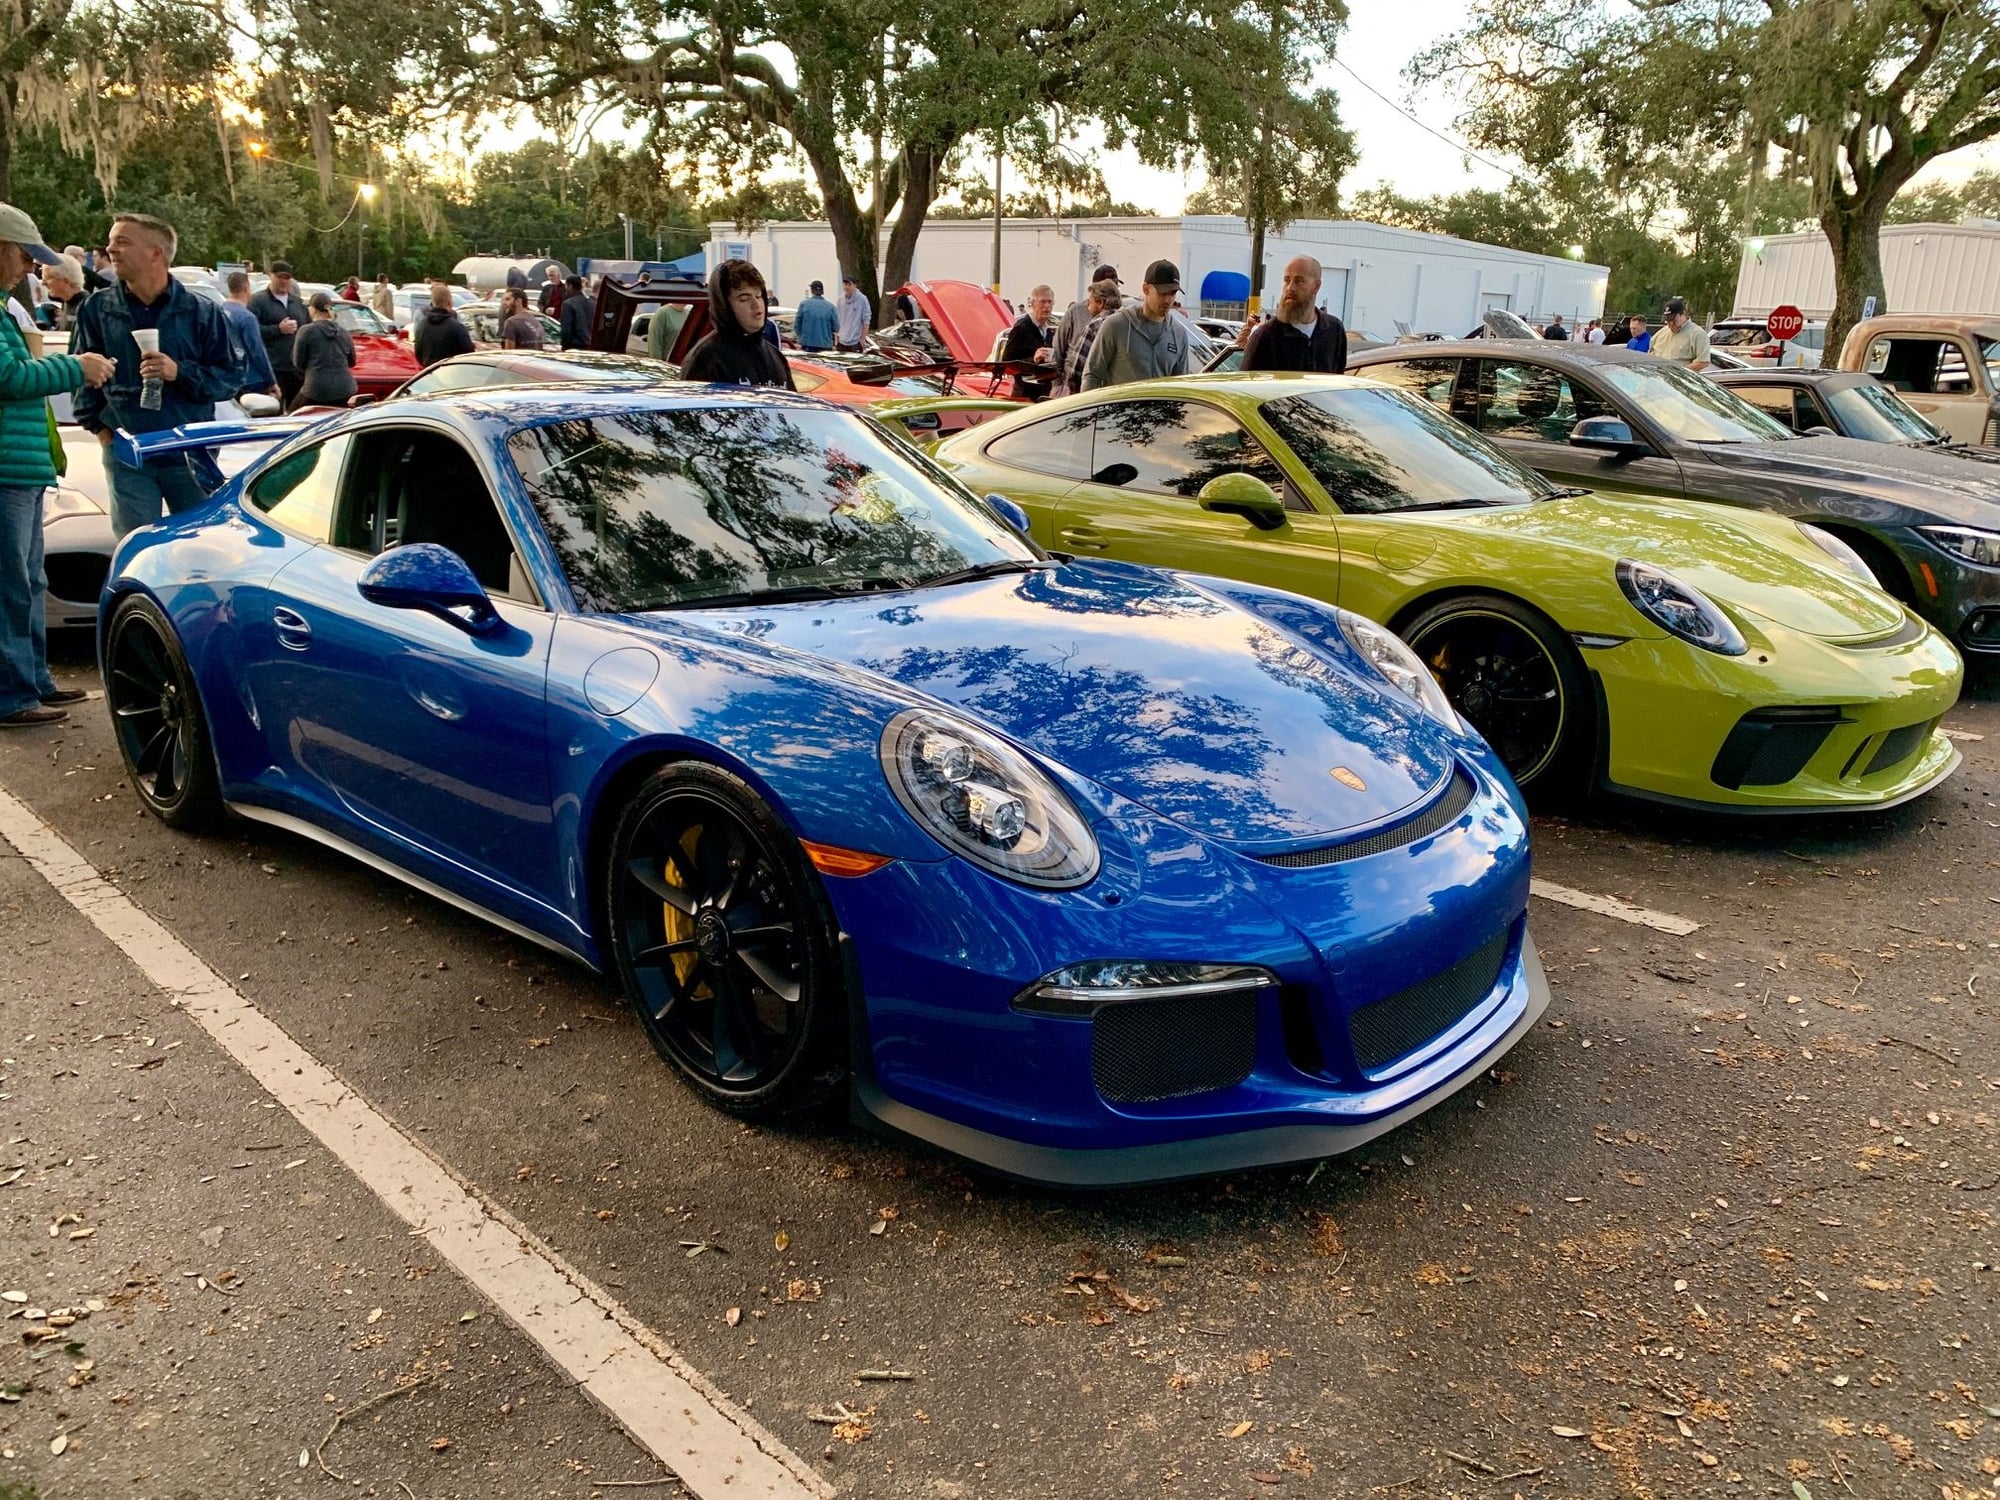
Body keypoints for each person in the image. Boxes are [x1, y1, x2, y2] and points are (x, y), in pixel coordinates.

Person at [0, 203, 115, 728]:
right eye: (23, 257)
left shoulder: (5, 309)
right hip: (8, 467)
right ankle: (13, 694)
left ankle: (33, 681)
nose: (28, 269)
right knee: (11, 585)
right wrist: (75, 365)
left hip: (22, 465)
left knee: (28, 579)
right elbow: (11, 379)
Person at [71, 212, 236, 540]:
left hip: (190, 452)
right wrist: (102, 432)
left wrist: (180, 372)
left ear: (156, 253)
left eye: (122, 242)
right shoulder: (97, 309)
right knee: (137, 549)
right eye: (111, 241)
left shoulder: (201, 312)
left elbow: (230, 377)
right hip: (129, 454)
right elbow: (80, 375)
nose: (110, 250)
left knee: (198, 547)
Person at [679, 259, 795, 389]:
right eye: (744, 299)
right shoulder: (706, 358)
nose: (756, 305)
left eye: (758, 296)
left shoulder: (775, 356)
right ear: (725, 306)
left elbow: (791, 406)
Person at [1083, 259, 1191, 390]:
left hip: (1160, 410)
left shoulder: (1178, 334)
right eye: (1162, 293)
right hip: (1119, 409)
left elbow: (1179, 387)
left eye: (1173, 293)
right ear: (1146, 289)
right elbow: (1092, 374)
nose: (1168, 300)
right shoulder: (1116, 325)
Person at [1240, 255, 1348, 374]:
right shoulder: (1265, 336)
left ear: (1316, 287)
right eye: (1287, 280)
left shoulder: (1334, 330)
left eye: (1299, 281)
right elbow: (1248, 387)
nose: (1290, 288)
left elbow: (1338, 380)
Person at [248, 261, 312, 408]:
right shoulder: (258, 301)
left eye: (287, 278)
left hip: (296, 370)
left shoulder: (297, 303)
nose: (284, 281)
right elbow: (252, 332)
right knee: (272, 412)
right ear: (271, 276)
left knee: (297, 412)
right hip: (272, 369)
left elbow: (308, 329)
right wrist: (278, 329)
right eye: (280, 277)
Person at [1051, 265, 1119, 395]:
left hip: (1084, 392)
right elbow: (1058, 348)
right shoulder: (1076, 312)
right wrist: (1057, 384)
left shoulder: (1096, 325)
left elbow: (1076, 369)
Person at [220, 270, 279, 406]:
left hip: (226, 377)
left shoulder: (219, 311)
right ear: (246, 288)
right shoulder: (247, 317)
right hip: (250, 380)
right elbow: (257, 351)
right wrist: (271, 380)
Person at [290, 293, 356, 409]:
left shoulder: (306, 331)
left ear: (313, 309)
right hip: (345, 388)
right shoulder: (343, 332)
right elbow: (352, 362)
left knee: (294, 417)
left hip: (316, 389)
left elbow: (298, 362)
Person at [1000, 284, 1058, 399]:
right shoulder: (1021, 328)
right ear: (1032, 304)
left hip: (1044, 393)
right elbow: (1006, 363)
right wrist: (1033, 359)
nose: (1047, 306)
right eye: (1043, 302)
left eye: (1050, 302)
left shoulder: (1050, 330)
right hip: (1024, 395)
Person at [413, 282, 474, 366]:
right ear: (449, 302)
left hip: (430, 373)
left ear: (432, 302)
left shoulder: (422, 325)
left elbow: (418, 353)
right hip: (452, 373)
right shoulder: (457, 327)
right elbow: (468, 354)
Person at [1649, 297, 1710, 369]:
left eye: (1674, 320)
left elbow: (1702, 362)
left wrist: (1678, 372)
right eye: (1668, 320)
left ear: (1683, 314)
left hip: (1681, 378)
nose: (1671, 323)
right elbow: (1650, 355)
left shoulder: (1698, 334)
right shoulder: (1660, 334)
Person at [42, 256, 87, 330]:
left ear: (66, 280)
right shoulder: (68, 303)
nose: (43, 283)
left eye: (48, 277)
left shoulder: (86, 309)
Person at [795, 279, 836, 352]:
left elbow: (797, 325)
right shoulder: (830, 307)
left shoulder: (804, 304)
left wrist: (801, 336)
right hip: (825, 345)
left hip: (807, 344)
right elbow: (836, 327)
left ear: (812, 290)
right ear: (822, 291)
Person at [557, 274, 593, 350]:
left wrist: (564, 346)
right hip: (589, 346)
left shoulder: (568, 304)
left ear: (570, 286)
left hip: (573, 347)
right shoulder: (590, 303)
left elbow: (566, 330)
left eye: (566, 285)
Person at [836, 274, 870, 352]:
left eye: (849, 284)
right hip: (842, 341)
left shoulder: (862, 300)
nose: (847, 287)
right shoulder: (840, 301)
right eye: (845, 284)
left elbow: (866, 320)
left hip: (855, 341)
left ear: (855, 285)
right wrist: (836, 340)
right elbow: (837, 320)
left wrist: (862, 339)